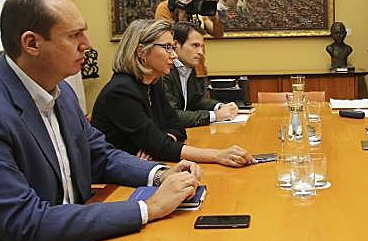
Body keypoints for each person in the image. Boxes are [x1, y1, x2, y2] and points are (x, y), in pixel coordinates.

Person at [0, 0, 202, 241]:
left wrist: (161, 174)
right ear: (32, 43)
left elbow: (100, 155)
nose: (87, 44)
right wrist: (148, 208)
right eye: (74, 35)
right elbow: (26, 223)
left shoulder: (61, 91)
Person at [91, 19, 253, 167]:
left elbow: (177, 127)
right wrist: (217, 155)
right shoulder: (121, 92)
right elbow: (161, 146)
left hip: (144, 165)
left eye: (173, 48)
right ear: (141, 51)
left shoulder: (153, 83)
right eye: (167, 48)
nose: (174, 55)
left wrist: (163, 140)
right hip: (113, 178)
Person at [163, 22, 238, 128]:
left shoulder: (189, 68)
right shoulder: (164, 71)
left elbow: (196, 101)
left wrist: (220, 106)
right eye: (195, 45)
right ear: (175, 46)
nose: (201, 52)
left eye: (202, 46)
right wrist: (214, 116)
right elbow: (171, 115)